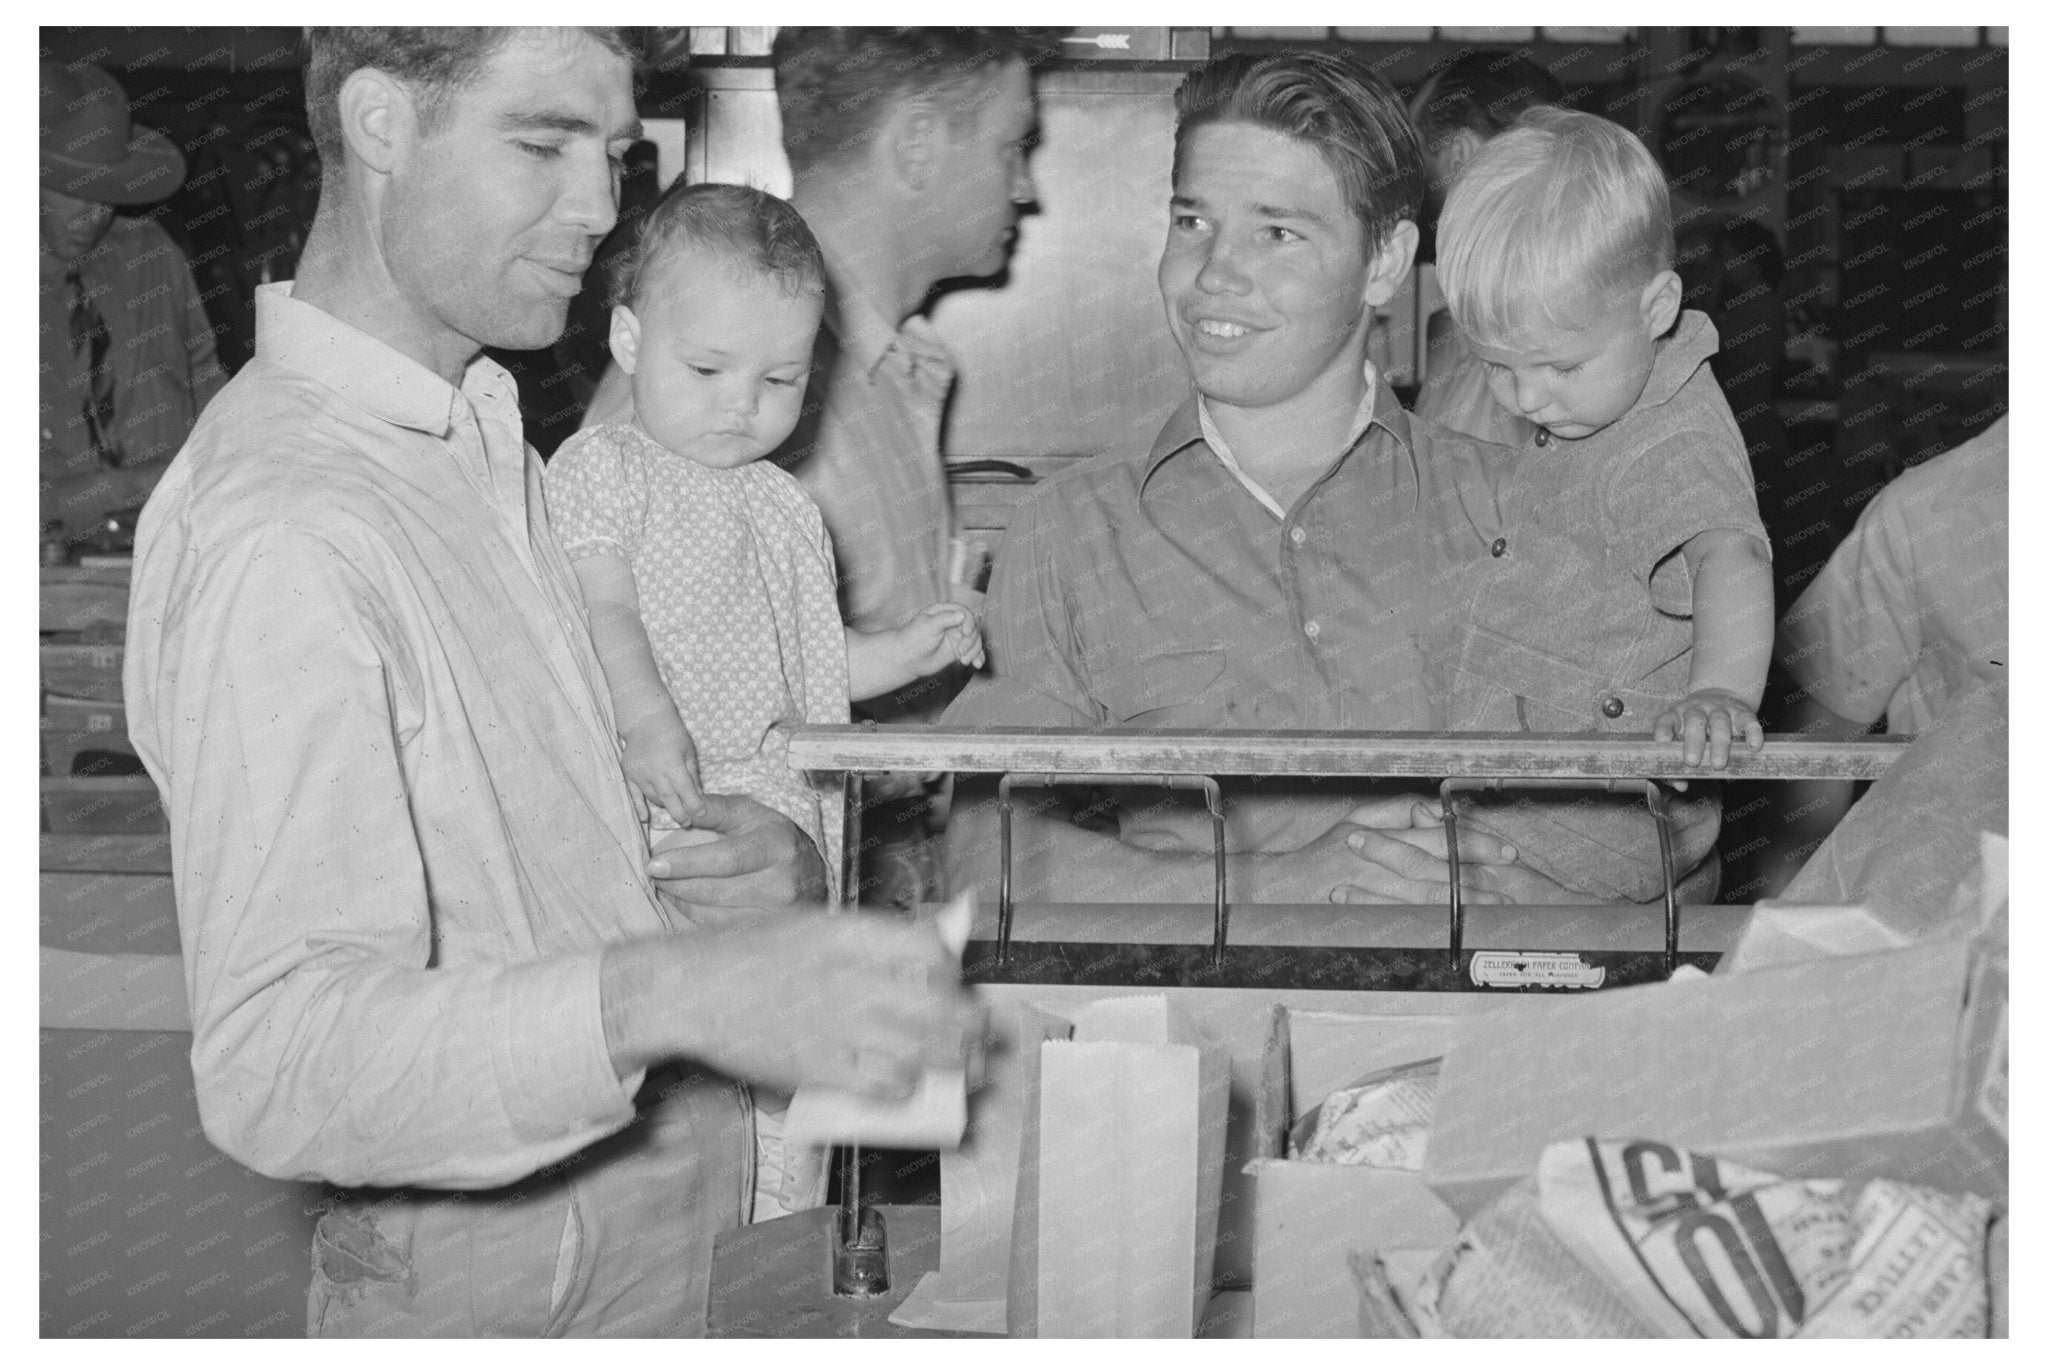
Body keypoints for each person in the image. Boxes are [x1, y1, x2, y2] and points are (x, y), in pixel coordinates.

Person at [125, 27, 977, 1338]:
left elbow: (575, 832)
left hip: (651, 1218)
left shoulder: (485, 446)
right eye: (544, 143)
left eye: (618, 156)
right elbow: (281, 1062)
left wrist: (769, 870)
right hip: (485, 1266)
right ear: (380, 124)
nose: (599, 207)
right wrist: (683, 993)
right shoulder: (286, 525)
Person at [945, 51, 1611, 909]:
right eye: (1192, 223)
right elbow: (983, 859)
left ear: (1384, 261)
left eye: (1277, 231)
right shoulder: (1070, 530)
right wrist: (1277, 882)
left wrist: (1510, 882)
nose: (1214, 272)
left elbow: (1663, 846)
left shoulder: (1520, 512)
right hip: (1184, 1029)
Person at [545, 182, 983, 1219]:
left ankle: (773, 1233)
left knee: (788, 1106)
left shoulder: (784, 506)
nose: (742, 403)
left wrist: (902, 650)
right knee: (671, 1082)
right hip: (662, 803)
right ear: (625, 339)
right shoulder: (604, 468)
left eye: (780, 377)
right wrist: (646, 715)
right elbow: (600, 607)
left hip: (783, 810)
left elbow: (810, 664)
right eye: (706, 369)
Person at [579, 28, 1047, 910]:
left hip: (873, 858)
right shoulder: (690, 417)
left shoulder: (881, 371)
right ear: (916, 143)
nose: (1025, 187)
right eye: (1011, 145)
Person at [1421, 107, 1774, 902]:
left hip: (1594, 835)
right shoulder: (1602, 397)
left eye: (1557, 366)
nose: (1528, 397)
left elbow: (1733, 553)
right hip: (1531, 796)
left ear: (1654, 310)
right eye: (1499, 368)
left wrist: (1720, 691)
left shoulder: (1667, 438)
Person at [40, 59, 225, 541]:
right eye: (74, 193)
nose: (96, 214)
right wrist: (125, 487)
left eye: (108, 193)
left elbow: (209, 386)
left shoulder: (150, 254)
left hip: (174, 542)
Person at [1407, 51, 1563, 448]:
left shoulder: (1499, 329)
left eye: (1417, 158)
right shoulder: (1592, 301)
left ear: (1459, 157)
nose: (1405, 189)